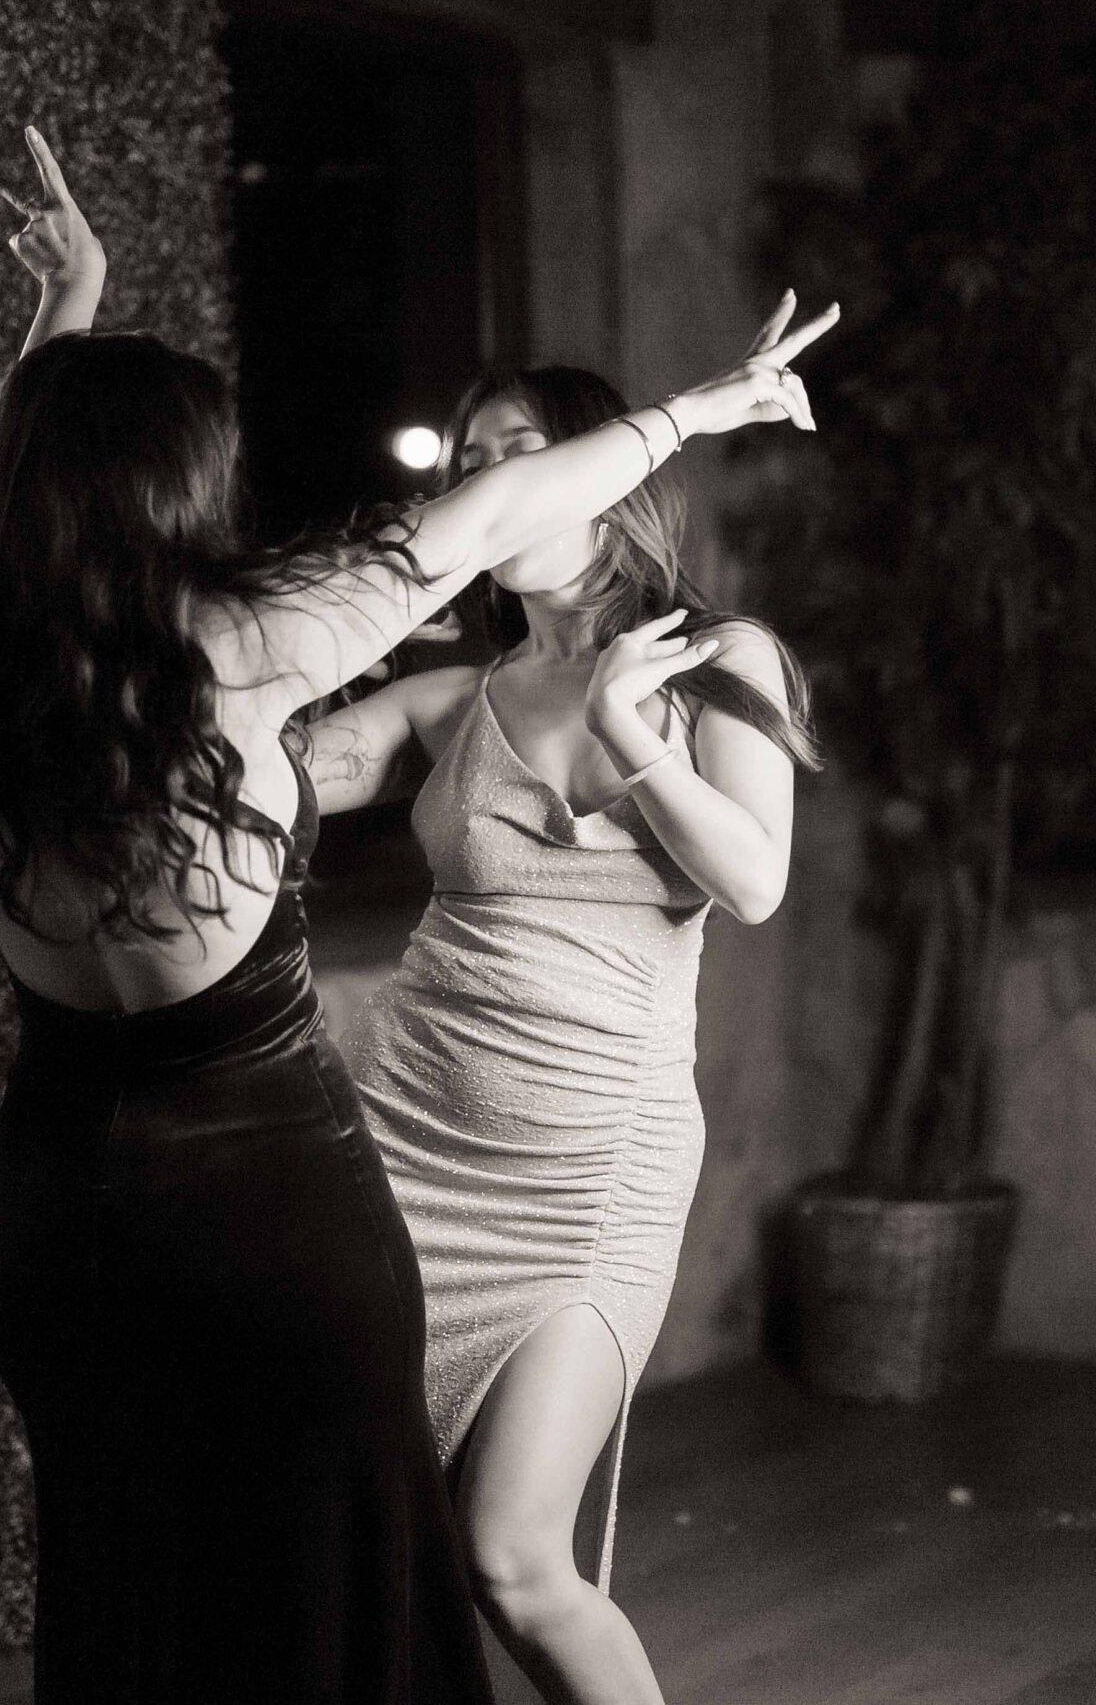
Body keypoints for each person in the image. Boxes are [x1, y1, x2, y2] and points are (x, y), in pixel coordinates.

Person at [0, 129, 835, 1704]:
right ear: (175, 492)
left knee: (143, 1565)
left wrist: (62, 319)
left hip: (59, 1203)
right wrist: (697, 408)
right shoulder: (247, 646)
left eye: (510, 449)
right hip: (273, 1208)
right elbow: (465, 538)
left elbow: (5, 514)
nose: (482, 478)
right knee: (339, 1596)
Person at [305, 349, 828, 1705]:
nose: (488, 479)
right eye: (469, 460)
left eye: (517, 448)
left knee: (515, 1555)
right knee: (331, 1518)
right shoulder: (448, 698)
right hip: (398, 1150)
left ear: (610, 477)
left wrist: (626, 730)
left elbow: (755, 881)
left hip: (587, 1181)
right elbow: (260, 765)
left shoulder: (719, 660)